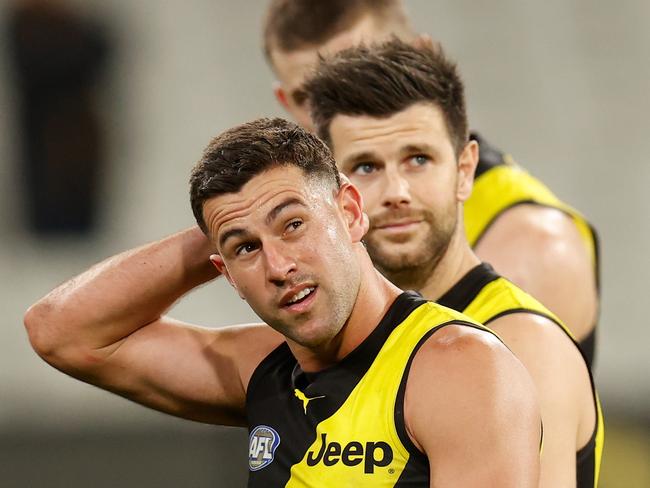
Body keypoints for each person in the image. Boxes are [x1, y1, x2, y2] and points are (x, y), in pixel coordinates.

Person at [24, 117, 541, 486]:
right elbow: (60, 331)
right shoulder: (262, 368)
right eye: (246, 249)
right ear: (223, 273)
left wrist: (236, 223)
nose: (277, 267)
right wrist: (221, 225)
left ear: (351, 212)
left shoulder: (459, 370)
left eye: (293, 224)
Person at [302, 39, 603, 488]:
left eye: (418, 159)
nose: (396, 190)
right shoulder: (335, 334)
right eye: (365, 167)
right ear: (333, 192)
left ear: (464, 171)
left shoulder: (522, 345)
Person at [262, 0, 600, 367]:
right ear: (285, 102)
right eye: (310, 96)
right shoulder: (318, 218)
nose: (342, 104)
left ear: (421, 57)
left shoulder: (530, 244)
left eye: (370, 68)